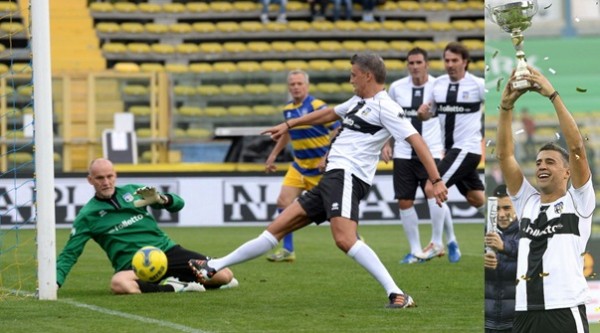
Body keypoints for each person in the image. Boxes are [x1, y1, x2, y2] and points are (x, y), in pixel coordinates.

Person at [189, 53, 448, 308]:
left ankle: (397, 294)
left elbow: (418, 142)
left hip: (347, 176)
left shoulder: (387, 107)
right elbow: (327, 115)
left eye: (354, 75)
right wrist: (289, 125)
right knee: (275, 230)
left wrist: (436, 180)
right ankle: (214, 265)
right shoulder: (358, 101)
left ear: (368, 76)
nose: (350, 80)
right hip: (331, 179)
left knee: (345, 239)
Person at [496, 66, 594, 332]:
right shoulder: (526, 201)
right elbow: (505, 156)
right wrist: (505, 109)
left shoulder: (579, 202)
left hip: (564, 310)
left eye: (550, 162)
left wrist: (552, 96)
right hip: (525, 312)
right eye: (539, 162)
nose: (541, 166)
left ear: (566, 172)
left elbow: (576, 148)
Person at [56, 158, 238, 294]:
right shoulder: (88, 215)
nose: (106, 182)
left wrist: (163, 199)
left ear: (115, 175)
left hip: (166, 252)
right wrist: (54, 283)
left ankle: (179, 279)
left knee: (224, 275)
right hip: (134, 266)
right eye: (100, 178)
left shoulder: (133, 192)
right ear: (90, 180)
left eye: (110, 176)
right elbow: (70, 253)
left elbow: (179, 205)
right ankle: (174, 287)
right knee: (119, 283)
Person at [382, 47, 460, 264]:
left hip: (432, 149)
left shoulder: (438, 86)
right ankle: (416, 251)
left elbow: (449, 116)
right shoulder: (397, 88)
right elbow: (389, 119)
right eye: (411, 63)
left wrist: (448, 145)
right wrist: (386, 144)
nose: (415, 67)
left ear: (427, 64)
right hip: (404, 152)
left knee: (432, 190)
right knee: (405, 201)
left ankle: (440, 241)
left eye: (419, 62)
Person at [415, 41, 485, 261]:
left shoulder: (478, 85)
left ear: (465, 62)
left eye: (455, 60)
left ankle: (437, 243)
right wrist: (423, 113)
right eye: (447, 60)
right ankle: (510, 225)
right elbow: (428, 114)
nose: (450, 64)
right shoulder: (438, 85)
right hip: (453, 151)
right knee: (476, 199)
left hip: (467, 148)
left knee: (431, 185)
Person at [264, 70, 340, 262]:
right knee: (283, 202)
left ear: (307, 85)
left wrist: (328, 154)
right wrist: (273, 155)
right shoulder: (288, 109)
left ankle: (353, 237)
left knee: (334, 211)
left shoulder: (317, 106)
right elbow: (287, 133)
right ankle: (288, 250)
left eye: (299, 84)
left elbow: (338, 128)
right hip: (299, 166)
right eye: (292, 84)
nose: (296, 87)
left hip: (319, 169)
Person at [484, 184, 520, 333]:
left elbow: (531, 264)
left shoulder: (527, 232)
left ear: (516, 208)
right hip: (487, 321)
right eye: (497, 209)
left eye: (506, 208)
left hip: (516, 322)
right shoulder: (484, 232)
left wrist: (504, 246)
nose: (501, 214)